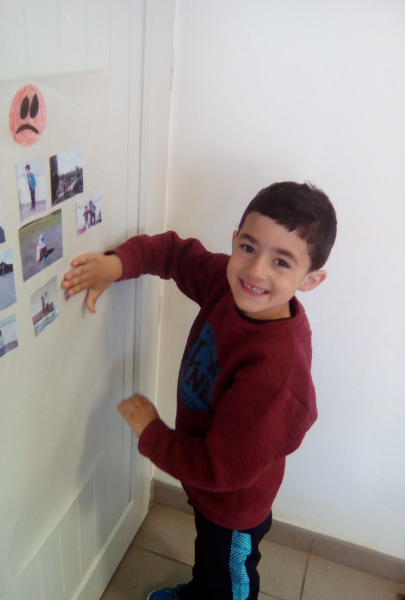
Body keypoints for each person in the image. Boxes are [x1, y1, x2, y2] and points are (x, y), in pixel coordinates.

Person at [62, 181, 337, 600]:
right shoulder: (229, 286)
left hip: (233, 505)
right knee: (208, 560)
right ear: (235, 240)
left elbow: (220, 470)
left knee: (227, 579)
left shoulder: (275, 371)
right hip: (208, 490)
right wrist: (118, 265)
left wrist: (153, 433)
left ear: (311, 279)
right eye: (248, 247)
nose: (256, 271)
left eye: (281, 261)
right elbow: (175, 254)